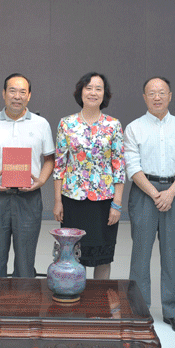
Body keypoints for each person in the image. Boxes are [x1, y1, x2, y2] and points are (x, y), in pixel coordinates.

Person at [124, 76, 175, 334]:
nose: (157, 97)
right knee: (140, 255)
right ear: (144, 97)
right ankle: (139, 311)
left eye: (162, 92)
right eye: (151, 93)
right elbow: (133, 167)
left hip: (174, 193)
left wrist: (171, 193)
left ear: (170, 96)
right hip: (144, 193)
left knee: (171, 254)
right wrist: (156, 194)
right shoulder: (134, 128)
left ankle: (172, 312)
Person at [0, 73, 55, 278]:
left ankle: (23, 298)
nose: (17, 96)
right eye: (12, 91)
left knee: (26, 263)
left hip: (28, 199)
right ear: (3, 93)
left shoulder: (41, 124)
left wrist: (41, 181)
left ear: (29, 96)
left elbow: (49, 159)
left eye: (22, 92)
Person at [53, 72, 125, 280]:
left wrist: (117, 204)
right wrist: (58, 201)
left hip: (104, 202)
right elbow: (59, 165)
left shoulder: (113, 125)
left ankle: (99, 299)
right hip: (72, 200)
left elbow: (119, 166)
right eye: (89, 88)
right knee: (74, 255)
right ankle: (75, 295)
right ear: (81, 92)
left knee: (103, 257)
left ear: (104, 94)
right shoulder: (66, 124)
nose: (93, 92)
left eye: (98, 89)